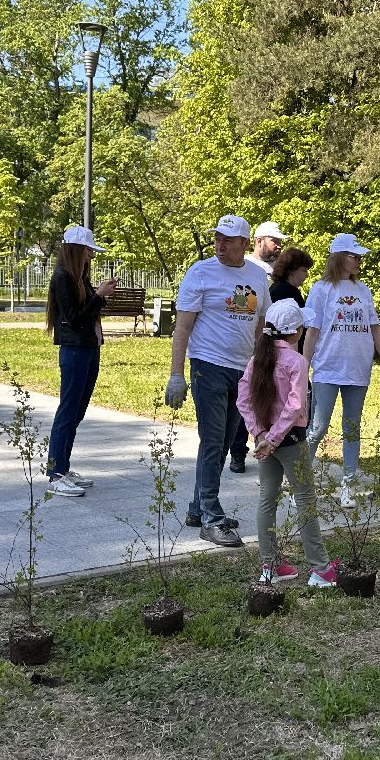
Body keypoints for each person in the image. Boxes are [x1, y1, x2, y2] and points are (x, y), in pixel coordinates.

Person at [165, 214, 265, 545]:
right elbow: (183, 326)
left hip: (242, 369)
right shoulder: (201, 273)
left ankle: (198, 507)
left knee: (223, 442)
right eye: (217, 239)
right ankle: (212, 516)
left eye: (228, 240)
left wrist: (261, 368)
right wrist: (176, 374)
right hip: (208, 366)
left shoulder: (257, 276)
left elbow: (260, 324)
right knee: (212, 441)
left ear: (244, 244)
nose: (220, 245)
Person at [236, 300, 338, 588]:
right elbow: (294, 407)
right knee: (305, 499)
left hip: (265, 441)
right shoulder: (297, 362)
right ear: (295, 332)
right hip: (291, 442)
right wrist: (273, 438)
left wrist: (260, 436)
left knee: (267, 500)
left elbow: (243, 400)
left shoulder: (257, 359)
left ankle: (270, 565)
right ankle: (320, 568)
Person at [301, 233, 380, 509]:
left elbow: (375, 328)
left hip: (358, 369)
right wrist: (302, 366)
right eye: (354, 256)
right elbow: (312, 330)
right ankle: (301, 487)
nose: (359, 260)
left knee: (352, 429)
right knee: (317, 428)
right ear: (339, 257)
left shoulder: (363, 290)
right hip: (328, 368)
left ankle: (348, 487)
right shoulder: (321, 289)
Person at [44, 226, 118, 498]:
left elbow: (86, 312)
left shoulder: (78, 276)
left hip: (88, 348)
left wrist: (100, 295)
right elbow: (74, 318)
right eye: (88, 250)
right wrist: (99, 295)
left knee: (77, 411)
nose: (91, 255)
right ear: (76, 250)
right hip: (74, 350)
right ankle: (55, 473)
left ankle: (63, 468)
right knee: (68, 411)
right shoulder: (63, 276)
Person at [230, 222, 290, 473]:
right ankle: (238, 451)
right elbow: (243, 307)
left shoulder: (278, 271)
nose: (279, 246)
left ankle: (264, 443)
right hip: (248, 344)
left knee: (265, 397)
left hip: (271, 343)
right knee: (244, 397)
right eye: (274, 240)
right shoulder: (247, 269)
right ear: (258, 240)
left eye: (280, 241)